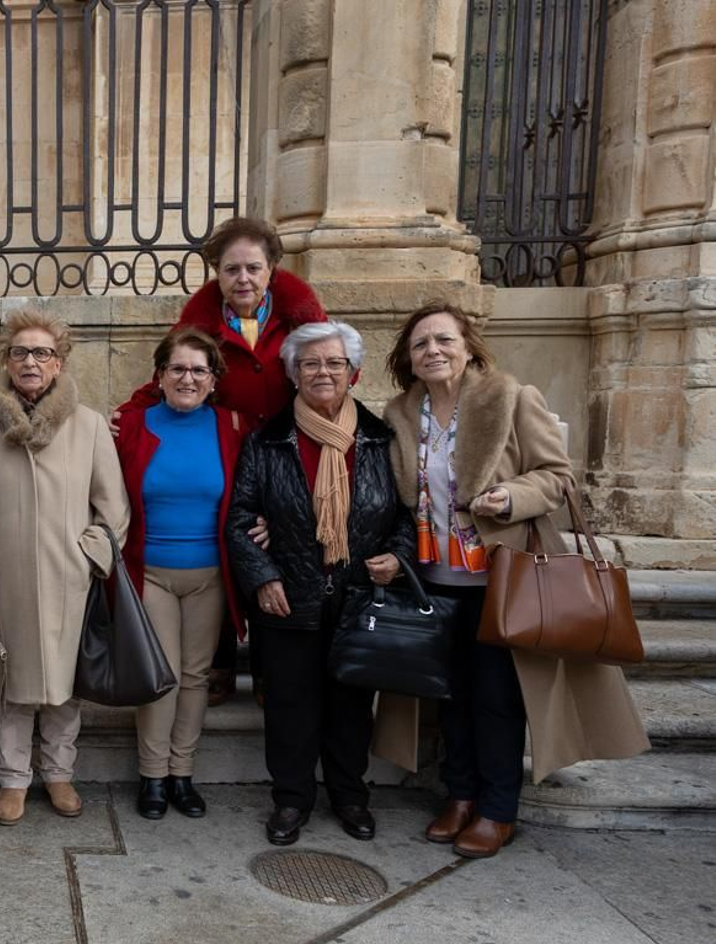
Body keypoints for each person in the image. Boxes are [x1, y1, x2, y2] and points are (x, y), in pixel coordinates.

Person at [376, 302, 649, 858]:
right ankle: (460, 795)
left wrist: (511, 497)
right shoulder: (400, 413)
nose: (432, 350)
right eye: (420, 343)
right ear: (408, 357)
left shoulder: (512, 398)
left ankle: (498, 809)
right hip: (432, 578)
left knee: (497, 697)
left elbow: (557, 477)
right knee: (449, 694)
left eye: (444, 340)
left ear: (469, 347)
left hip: (504, 577)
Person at [119, 217, 328, 706]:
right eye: (231, 269)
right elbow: (174, 368)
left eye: (253, 268)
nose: (243, 280)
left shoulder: (300, 314)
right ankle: (216, 662)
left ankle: (267, 664)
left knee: (280, 542)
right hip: (230, 448)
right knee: (229, 543)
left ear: (272, 269)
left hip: (286, 449)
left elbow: (334, 366)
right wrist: (128, 414)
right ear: (217, 272)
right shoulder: (201, 317)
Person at [226, 320, 413, 847]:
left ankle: (350, 795)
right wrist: (262, 577)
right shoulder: (267, 441)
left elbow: (405, 515)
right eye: (310, 363)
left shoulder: (380, 439)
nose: (323, 372)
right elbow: (240, 517)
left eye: (334, 363)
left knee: (352, 703)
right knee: (289, 705)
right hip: (289, 596)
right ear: (294, 374)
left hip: (359, 596)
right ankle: (291, 800)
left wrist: (398, 558)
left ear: (353, 373)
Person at [0, 307, 129, 826]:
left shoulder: (89, 426)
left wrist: (89, 556)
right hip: (3, 577)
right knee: (8, 682)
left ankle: (59, 773)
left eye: (42, 353)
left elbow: (114, 508)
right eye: (20, 352)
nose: (30, 361)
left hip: (68, 578)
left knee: (65, 684)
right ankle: (12, 777)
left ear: (58, 364)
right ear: (6, 361)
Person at [114, 327, 248, 820]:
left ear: (213, 380)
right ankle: (152, 775)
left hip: (211, 574)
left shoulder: (233, 426)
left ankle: (181, 773)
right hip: (151, 574)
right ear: (160, 376)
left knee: (195, 676)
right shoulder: (130, 425)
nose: (188, 378)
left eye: (199, 370)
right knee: (161, 675)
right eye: (178, 369)